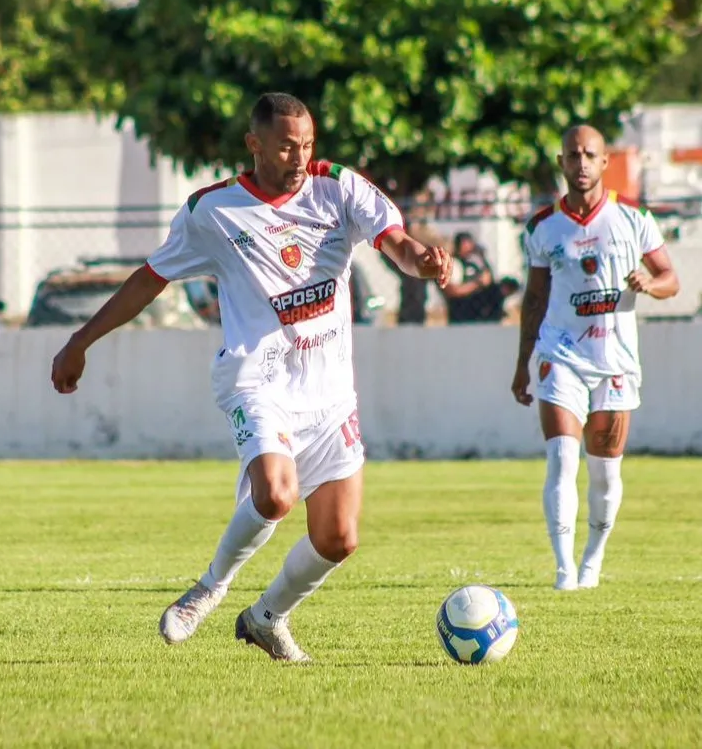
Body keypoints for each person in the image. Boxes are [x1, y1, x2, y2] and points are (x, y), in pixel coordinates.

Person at [50, 92, 451, 662]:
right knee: (276, 493)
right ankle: (209, 588)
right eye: (286, 146)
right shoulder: (213, 212)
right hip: (256, 380)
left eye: (307, 144)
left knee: (339, 538)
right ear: (254, 144)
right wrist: (80, 341)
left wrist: (424, 262)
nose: (299, 157)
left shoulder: (339, 188)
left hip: (330, 393)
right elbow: (149, 279)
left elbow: (400, 246)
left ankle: (267, 617)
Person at [511, 125, 679, 591]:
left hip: (615, 360)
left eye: (590, 155)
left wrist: (651, 284)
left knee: (604, 473)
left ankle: (592, 561)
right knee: (562, 458)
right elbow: (534, 298)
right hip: (560, 354)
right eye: (573, 155)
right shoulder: (543, 227)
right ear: (561, 162)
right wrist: (523, 362)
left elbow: (670, 278)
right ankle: (564, 570)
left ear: (605, 161)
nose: (581, 163)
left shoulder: (633, 217)